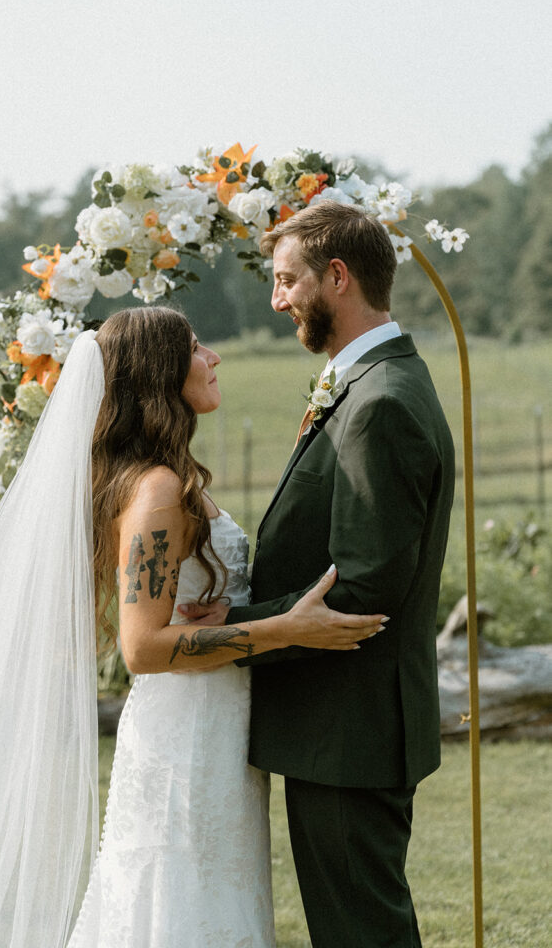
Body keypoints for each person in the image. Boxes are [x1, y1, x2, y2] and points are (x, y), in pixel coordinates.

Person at [0, 305, 385, 948]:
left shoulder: (164, 479)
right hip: (186, 733)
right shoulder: (158, 490)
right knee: (178, 902)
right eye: (198, 348)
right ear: (161, 374)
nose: (215, 358)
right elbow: (143, 647)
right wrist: (286, 627)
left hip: (213, 721)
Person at [180, 202, 456, 948]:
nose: (277, 300)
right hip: (344, 723)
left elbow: (363, 592)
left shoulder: (381, 403)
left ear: (336, 277)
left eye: (284, 280)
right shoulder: (370, 382)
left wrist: (240, 626)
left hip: (350, 726)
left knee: (361, 933)